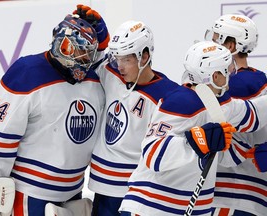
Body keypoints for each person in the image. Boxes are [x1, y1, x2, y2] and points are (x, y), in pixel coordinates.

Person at [0, 6, 109, 216]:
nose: (83, 61)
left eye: (88, 56)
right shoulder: (27, 73)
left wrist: (103, 42)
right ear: (61, 44)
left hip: (73, 193)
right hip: (30, 195)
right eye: (77, 52)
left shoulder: (93, 78)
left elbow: (120, 74)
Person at [118, 40, 267, 215]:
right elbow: (153, 154)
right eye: (227, 69)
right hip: (150, 205)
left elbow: (254, 113)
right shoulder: (180, 102)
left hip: (190, 208)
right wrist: (196, 141)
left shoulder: (223, 105)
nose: (232, 74)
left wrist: (238, 150)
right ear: (215, 76)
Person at [74, 5, 180, 216]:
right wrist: (101, 34)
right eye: (118, 59)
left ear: (144, 56)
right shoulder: (113, 73)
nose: (120, 66)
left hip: (135, 192)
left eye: (127, 60)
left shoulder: (167, 95)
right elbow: (93, 59)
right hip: (102, 187)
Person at [204, 14, 267, 216]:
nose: (210, 45)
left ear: (230, 46)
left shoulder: (233, 84)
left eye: (215, 40)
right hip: (249, 195)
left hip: (232, 193)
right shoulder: (259, 81)